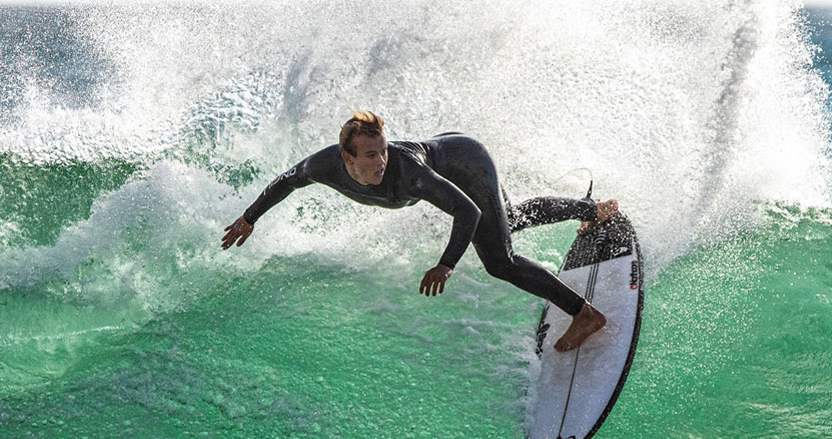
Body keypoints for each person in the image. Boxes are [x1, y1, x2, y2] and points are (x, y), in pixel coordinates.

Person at [221, 111, 617, 352]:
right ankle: (592, 210)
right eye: (371, 155)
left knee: (500, 260)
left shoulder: (407, 174)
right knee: (507, 219)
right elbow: (285, 181)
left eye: (384, 150)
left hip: (466, 162)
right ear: (348, 158)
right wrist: (249, 218)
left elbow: (466, 209)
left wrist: (447, 264)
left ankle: (586, 315)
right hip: (448, 152)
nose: (380, 161)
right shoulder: (322, 165)